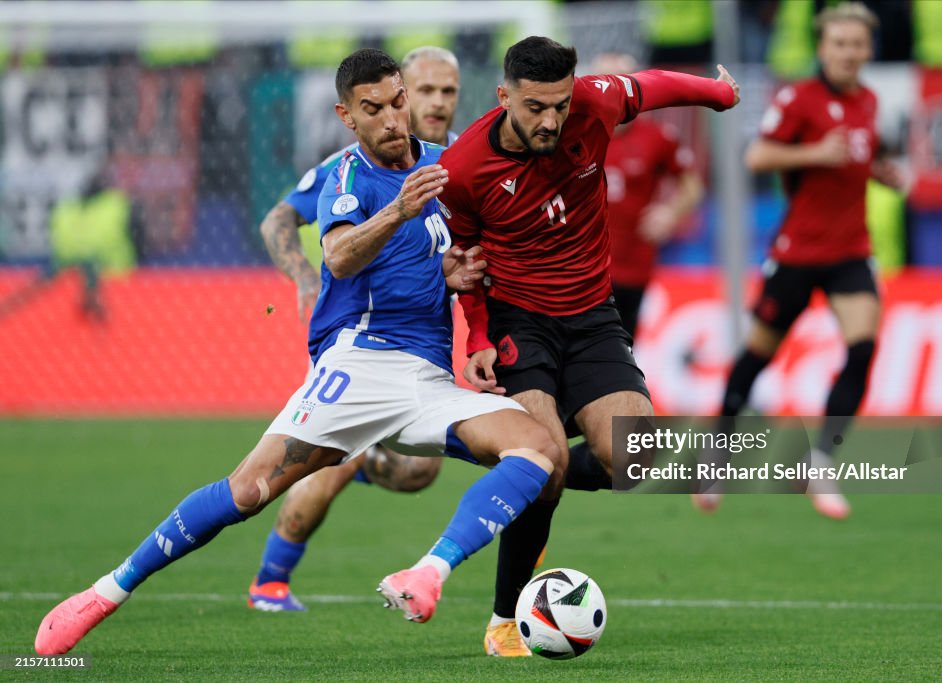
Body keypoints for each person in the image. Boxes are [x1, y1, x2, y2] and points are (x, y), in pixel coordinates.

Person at [34, 48, 563, 656]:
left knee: (542, 448)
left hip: (428, 378)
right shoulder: (347, 176)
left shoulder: (445, 168)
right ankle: (106, 592)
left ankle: (431, 576)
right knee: (247, 492)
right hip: (357, 366)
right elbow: (337, 254)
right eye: (375, 109)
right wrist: (393, 211)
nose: (395, 118)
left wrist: (456, 274)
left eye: (399, 102)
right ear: (347, 116)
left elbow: (435, 258)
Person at [439, 36, 739, 655]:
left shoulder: (594, 105)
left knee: (632, 459)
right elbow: (464, 260)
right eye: (534, 107)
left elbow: (653, 87)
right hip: (519, 320)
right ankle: (503, 622)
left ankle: (526, 472)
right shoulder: (466, 168)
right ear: (504, 97)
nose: (551, 119)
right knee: (540, 462)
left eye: (559, 103)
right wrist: (476, 333)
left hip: (593, 315)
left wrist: (718, 94)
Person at [249, 45, 462, 613]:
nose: (433, 104)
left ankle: (366, 459)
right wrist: (303, 276)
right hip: (358, 341)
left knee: (421, 472)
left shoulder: (455, 159)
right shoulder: (350, 167)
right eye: (422, 92)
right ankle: (271, 580)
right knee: (318, 466)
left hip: (423, 342)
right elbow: (279, 219)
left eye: (448, 92)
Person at [692, 2, 904, 520]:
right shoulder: (798, 99)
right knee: (758, 355)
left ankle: (821, 463)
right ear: (822, 48)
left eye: (857, 44)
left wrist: (880, 173)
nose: (849, 52)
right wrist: (813, 154)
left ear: (868, 49)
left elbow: (853, 157)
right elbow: (757, 156)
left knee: (863, 348)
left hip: (852, 249)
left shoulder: (872, 102)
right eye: (839, 43)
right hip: (798, 251)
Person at [591, 53, 706, 339]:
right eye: (604, 84)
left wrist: (670, 213)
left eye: (622, 84)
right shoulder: (573, 136)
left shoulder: (658, 137)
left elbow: (692, 185)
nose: (613, 93)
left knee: (621, 347)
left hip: (631, 265)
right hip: (579, 267)